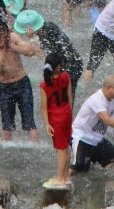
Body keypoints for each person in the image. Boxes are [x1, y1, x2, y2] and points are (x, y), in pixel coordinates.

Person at [70, 75, 114, 175]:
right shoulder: (97, 100)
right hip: (82, 137)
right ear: (108, 87)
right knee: (77, 167)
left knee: (113, 158)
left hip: (97, 138)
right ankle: (60, 180)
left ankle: (104, 179)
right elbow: (107, 120)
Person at [0, 22, 38, 142]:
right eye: (3, 36)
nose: (7, 38)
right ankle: (7, 147)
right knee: (7, 125)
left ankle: (35, 146)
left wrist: (12, 46)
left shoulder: (13, 37)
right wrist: (3, 51)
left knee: (29, 122)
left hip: (23, 83)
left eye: (7, 34)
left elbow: (30, 52)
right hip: (5, 87)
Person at [40, 52, 73, 188]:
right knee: (66, 146)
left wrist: (47, 124)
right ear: (58, 67)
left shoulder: (44, 85)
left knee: (60, 149)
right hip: (67, 114)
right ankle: (65, 176)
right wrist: (69, 113)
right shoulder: (66, 77)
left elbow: (43, 108)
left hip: (56, 118)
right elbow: (70, 97)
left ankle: (59, 179)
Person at [32, 21, 83, 99]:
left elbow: (40, 55)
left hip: (69, 66)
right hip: (75, 64)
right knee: (67, 95)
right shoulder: (48, 26)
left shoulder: (47, 33)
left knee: (64, 97)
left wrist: (31, 39)